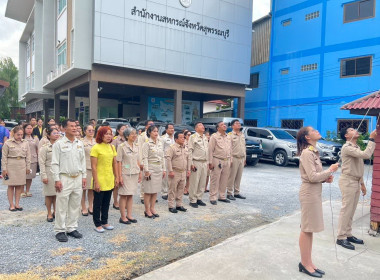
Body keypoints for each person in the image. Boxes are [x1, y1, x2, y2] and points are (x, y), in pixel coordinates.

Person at [297, 126, 339, 277]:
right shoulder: (307, 153)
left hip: (314, 192)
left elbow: (315, 176)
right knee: (306, 228)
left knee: (310, 229)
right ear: (307, 137)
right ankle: (304, 263)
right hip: (309, 193)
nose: (317, 131)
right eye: (313, 131)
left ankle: (309, 262)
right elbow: (312, 177)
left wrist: (325, 178)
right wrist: (330, 170)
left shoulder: (314, 151)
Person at [336, 127, 377, 250]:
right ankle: (341, 237)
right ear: (347, 136)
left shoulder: (356, 147)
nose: (356, 130)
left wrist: (362, 184)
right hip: (348, 181)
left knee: (351, 210)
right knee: (346, 210)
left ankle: (348, 234)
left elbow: (358, 168)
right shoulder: (347, 147)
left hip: (355, 181)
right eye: (352, 130)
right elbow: (366, 155)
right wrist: (371, 139)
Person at [51, 119, 87, 242]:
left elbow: (83, 161)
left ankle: (71, 228)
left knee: (75, 204)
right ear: (64, 129)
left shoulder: (79, 143)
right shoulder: (59, 144)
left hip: (77, 177)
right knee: (61, 205)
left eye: (75, 126)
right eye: (71, 126)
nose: (74, 128)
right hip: (64, 177)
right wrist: (56, 179)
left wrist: (84, 176)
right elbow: (54, 163)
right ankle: (60, 230)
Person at [91, 126, 118, 233]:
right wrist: (96, 181)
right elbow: (93, 166)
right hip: (100, 178)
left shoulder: (112, 147)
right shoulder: (96, 148)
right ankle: (97, 223)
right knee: (98, 203)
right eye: (106, 134)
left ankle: (105, 221)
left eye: (110, 134)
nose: (108, 136)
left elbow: (114, 163)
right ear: (101, 135)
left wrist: (116, 177)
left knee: (107, 202)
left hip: (109, 178)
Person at [1, 126, 31, 211]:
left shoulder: (25, 143)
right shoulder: (8, 143)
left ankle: (17, 204)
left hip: (21, 164)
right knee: (11, 186)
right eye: (18, 134)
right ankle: (11, 205)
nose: (20, 136)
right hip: (11, 165)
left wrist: (28, 167)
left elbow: (28, 156)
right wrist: (4, 169)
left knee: (19, 185)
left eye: (21, 134)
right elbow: (4, 157)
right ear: (14, 134)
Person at [117, 127, 141, 224]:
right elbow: (118, 162)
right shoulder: (121, 146)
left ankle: (129, 215)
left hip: (134, 173)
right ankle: (123, 217)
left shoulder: (136, 146)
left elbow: (138, 160)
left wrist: (140, 173)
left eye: (135, 134)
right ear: (127, 136)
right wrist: (119, 176)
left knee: (131, 195)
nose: (134, 136)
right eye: (132, 134)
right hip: (125, 173)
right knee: (123, 195)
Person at [142, 125, 166, 218]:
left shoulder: (160, 143)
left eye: (157, 131)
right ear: (149, 133)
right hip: (150, 168)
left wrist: (164, 169)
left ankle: (152, 208)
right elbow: (145, 158)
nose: (156, 133)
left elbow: (162, 156)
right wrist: (147, 170)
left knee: (155, 190)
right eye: (154, 131)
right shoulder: (147, 144)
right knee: (148, 191)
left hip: (158, 168)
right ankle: (147, 210)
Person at [165, 131, 190, 213]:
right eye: (181, 137)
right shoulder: (172, 148)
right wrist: (170, 171)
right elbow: (168, 160)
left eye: (184, 137)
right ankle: (171, 206)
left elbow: (188, 159)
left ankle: (179, 205)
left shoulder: (185, 147)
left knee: (181, 189)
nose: (183, 139)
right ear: (176, 139)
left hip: (183, 172)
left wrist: (188, 170)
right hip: (175, 172)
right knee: (172, 189)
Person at [39, 127, 60, 222]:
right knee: (49, 194)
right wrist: (43, 175)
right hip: (49, 172)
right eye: (54, 133)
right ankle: (49, 213)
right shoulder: (45, 148)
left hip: (59, 172)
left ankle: (56, 211)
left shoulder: (61, 146)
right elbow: (42, 162)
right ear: (48, 135)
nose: (56, 134)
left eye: (57, 133)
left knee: (57, 194)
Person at [208, 121, 232, 205]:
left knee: (224, 179)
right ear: (218, 128)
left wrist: (231, 160)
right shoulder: (214, 137)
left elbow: (230, 149)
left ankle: (222, 196)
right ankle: (213, 197)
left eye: (225, 124)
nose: (224, 126)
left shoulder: (228, 137)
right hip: (217, 159)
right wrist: (210, 162)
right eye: (222, 125)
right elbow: (210, 150)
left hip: (227, 160)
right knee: (215, 179)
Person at [188, 122, 208, 208]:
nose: (203, 126)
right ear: (196, 128)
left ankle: (199, 198)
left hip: (204, 162)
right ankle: (193, 200)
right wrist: (191, 163)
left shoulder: (205, 137)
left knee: (202, 182)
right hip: (196, 162)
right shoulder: (193, 137)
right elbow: (190, 151)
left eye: (203, 125)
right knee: (194, 182)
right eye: (200, 125)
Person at [226, 119, 246, 200]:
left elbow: (244, 147)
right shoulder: (230, 135)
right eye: (236, 123)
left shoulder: (242, 134)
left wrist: (245, 158)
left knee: (239, 176)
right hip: (234, 158)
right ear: (232, 126)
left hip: (241, 158)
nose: (239, 125)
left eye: (239, 123)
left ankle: (237, 192)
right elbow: (228, 148)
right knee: (232, 176)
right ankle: (229, 193)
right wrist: (229, 159)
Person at [138, 120, 154, 204]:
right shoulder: (142, 136)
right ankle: (142, 196)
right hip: (144, 160)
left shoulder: (154, 136)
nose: (152, 125)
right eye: (150, 124)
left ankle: (151, 195)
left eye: (153, 124)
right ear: (146, 126)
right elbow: (140, 149)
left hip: (152, 161)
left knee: (152, 180)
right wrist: (141, 162)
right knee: (144, 179)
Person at [111, 123, 127, 210]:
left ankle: (124, 202)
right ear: (118, 131)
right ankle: (115, 201)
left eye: (125, 129)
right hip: (117, 164)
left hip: (126, 164)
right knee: (116, 184)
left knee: (125, 183)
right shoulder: (115, 141)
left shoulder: (128, 140)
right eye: (122, 129)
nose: (124, 130)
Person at [81, 124, 96, 216]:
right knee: (84, 189)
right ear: (85, 131)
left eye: (92, 130)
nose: (91, 132)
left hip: (94, 168)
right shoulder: (81, 142)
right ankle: (83, 207)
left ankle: (91, 206)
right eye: (89, 130)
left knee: (92, 189)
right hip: (85, 168)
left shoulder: (96, 142)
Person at [22, 123, 39, 198]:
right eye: (27, 128)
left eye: (30, 128)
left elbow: (38, 149)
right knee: (23, 176)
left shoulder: (35, 138)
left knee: (30, 176)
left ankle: (27, 190)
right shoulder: (22, 138)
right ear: (24, 129)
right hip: (23, 159)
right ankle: (21, 191)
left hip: (33, 159)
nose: (29, 130)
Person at [161, 123, 175, 200]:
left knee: (173, 176)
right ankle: (164, 192)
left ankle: (171, 191)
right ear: (166, 130)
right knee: (165, 176)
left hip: (174, 159)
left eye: (173, 128)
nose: (172, 130)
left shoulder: (175, 137)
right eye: (170, 128)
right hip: (166, 158)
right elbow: (161, 149)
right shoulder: (163, 138)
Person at [183, 129, 192, 195]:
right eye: (188, 135)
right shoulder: (183, 142)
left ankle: (187, 188)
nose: (190, 136)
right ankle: (183, 188)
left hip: (191, 160)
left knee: (189, 176)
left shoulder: (192, 142)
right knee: (184, 176)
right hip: (184, 160)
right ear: (185, 136)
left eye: (190, 135)